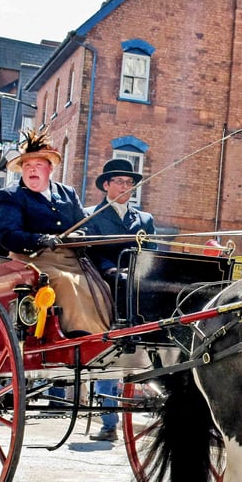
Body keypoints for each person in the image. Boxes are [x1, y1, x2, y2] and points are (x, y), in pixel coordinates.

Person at [0, 128, 112, 336]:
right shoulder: (11, 195)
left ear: (49, 169)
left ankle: (103, 335)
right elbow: (7, 234)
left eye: (38, 165)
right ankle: (79, 336)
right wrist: (40, 239)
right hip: (32, 260)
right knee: (64, 281)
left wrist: (81, 235)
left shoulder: (67, 193)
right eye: (27, 165)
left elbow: (86, 225)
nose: (32, 170)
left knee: (100, 286)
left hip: (72, 260)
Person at [83, 159, 156, 442]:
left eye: (130, 183)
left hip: (138, 286)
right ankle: (108, 423)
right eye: (120, 182)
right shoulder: (91, 216)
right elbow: (89, 253)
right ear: (106, 185)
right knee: (109, 356)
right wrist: (111, 270)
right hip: (106, 284)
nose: (126, 187)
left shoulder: (144, 220)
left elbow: (152, 252)